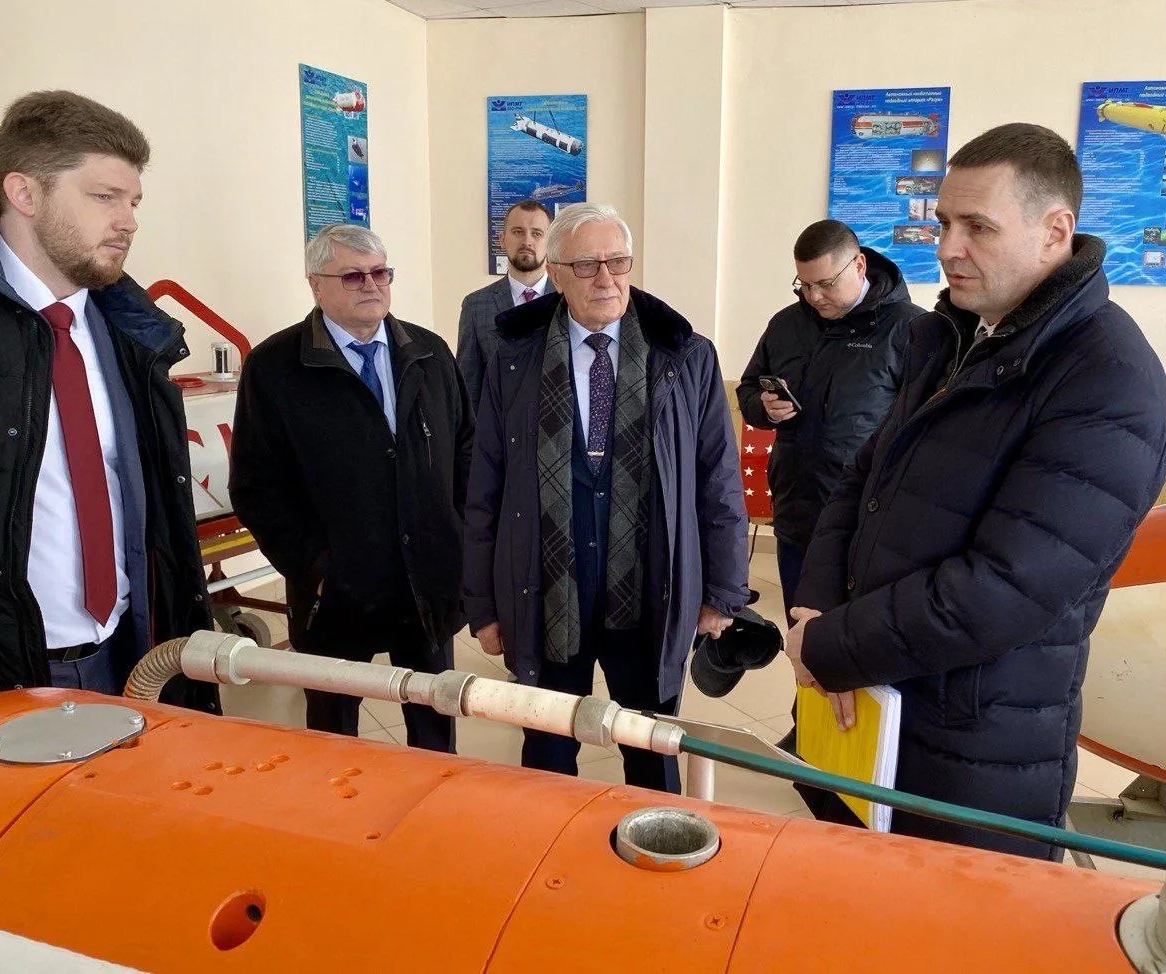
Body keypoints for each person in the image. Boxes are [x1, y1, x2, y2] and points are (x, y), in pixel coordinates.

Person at [787, 123, 1166, 858]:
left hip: (972, 744)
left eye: (978, 228)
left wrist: (832, 644)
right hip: (873, 701)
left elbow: (1004, 588)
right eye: (943, 224)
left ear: (1055, 231)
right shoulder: (954, 336)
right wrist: (819, 602)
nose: (947, 248)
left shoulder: (1110, 379)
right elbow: (865, 477)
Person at [0, 90, 218, 728]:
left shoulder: (130, 331)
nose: (128, 222)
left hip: (129, 656)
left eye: (133, 202)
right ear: (23, 192)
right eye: (104, 197)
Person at [463, 202, 751, 792]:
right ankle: (551, 841)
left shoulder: (684, 356)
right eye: (587, 265)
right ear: (556, 272)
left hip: (648, 587)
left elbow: (717, 480)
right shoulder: (514, 359)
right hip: (544, 587)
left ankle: (650, 839)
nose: (606, 279)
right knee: (547, 749)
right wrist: (483, 605)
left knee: (651, 748)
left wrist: (723, 590)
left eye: (618, 262)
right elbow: (484, 484)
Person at [230, 224, 472, 753]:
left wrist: (455, 540)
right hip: (337, 596)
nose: (372, 285)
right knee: (333, 739)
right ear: (316, 285)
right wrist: (317, 571)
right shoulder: (275, 367)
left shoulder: (429, 353)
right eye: (354, 276)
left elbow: (466, 455)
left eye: (381, 273)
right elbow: (256, 487)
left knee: (434, 731)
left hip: (425, 585)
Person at [737, 220, 924, 620]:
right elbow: (749, 388)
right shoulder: (786, 324)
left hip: (867, 522)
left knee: (856, 638)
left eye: (825, 284)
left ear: (859, 265)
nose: (814, 296)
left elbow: (928, 429)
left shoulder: (911, 329)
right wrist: (762, 407)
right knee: (800, 631)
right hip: (795, 510)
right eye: (804, 285)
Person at [457, 200, 555, 415]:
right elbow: (468, 388)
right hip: (500, 430)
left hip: (557, 427)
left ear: (550, 242)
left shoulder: (568, 299)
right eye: (518, 232)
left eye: (537, 233)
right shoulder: (475, 306)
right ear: (502, 240)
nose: (527, 241)